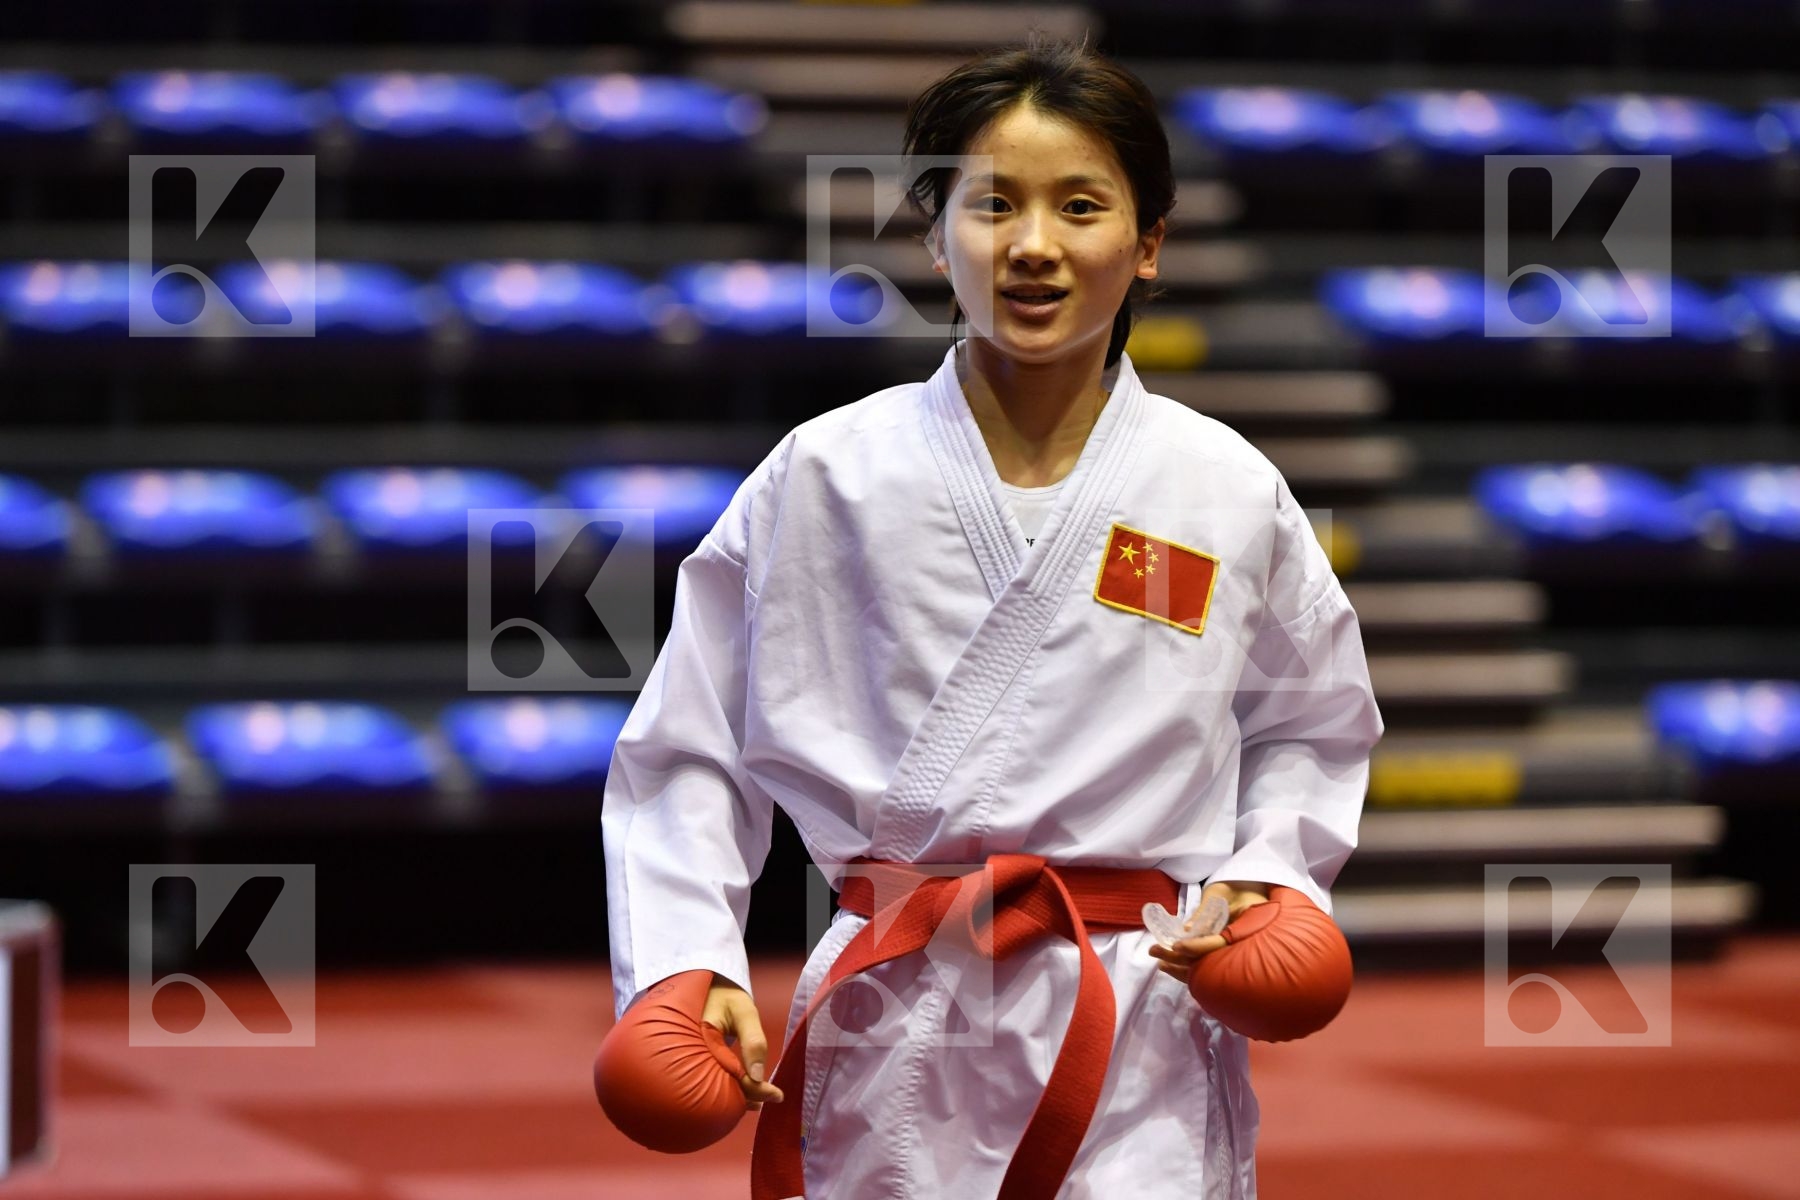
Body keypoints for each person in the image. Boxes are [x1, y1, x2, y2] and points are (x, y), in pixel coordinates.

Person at [601, 35, 1384, 1199]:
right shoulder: (826, 476)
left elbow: (1310, 722)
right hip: (896, 1015)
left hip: (1138, 1024)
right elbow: (689, 746)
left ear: (1150, 243)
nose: (1034, 246)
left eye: (1080, 206)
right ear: (934, 235)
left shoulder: (1220, 487)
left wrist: (1271, 878)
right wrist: (683, 957)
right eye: (993, 205)